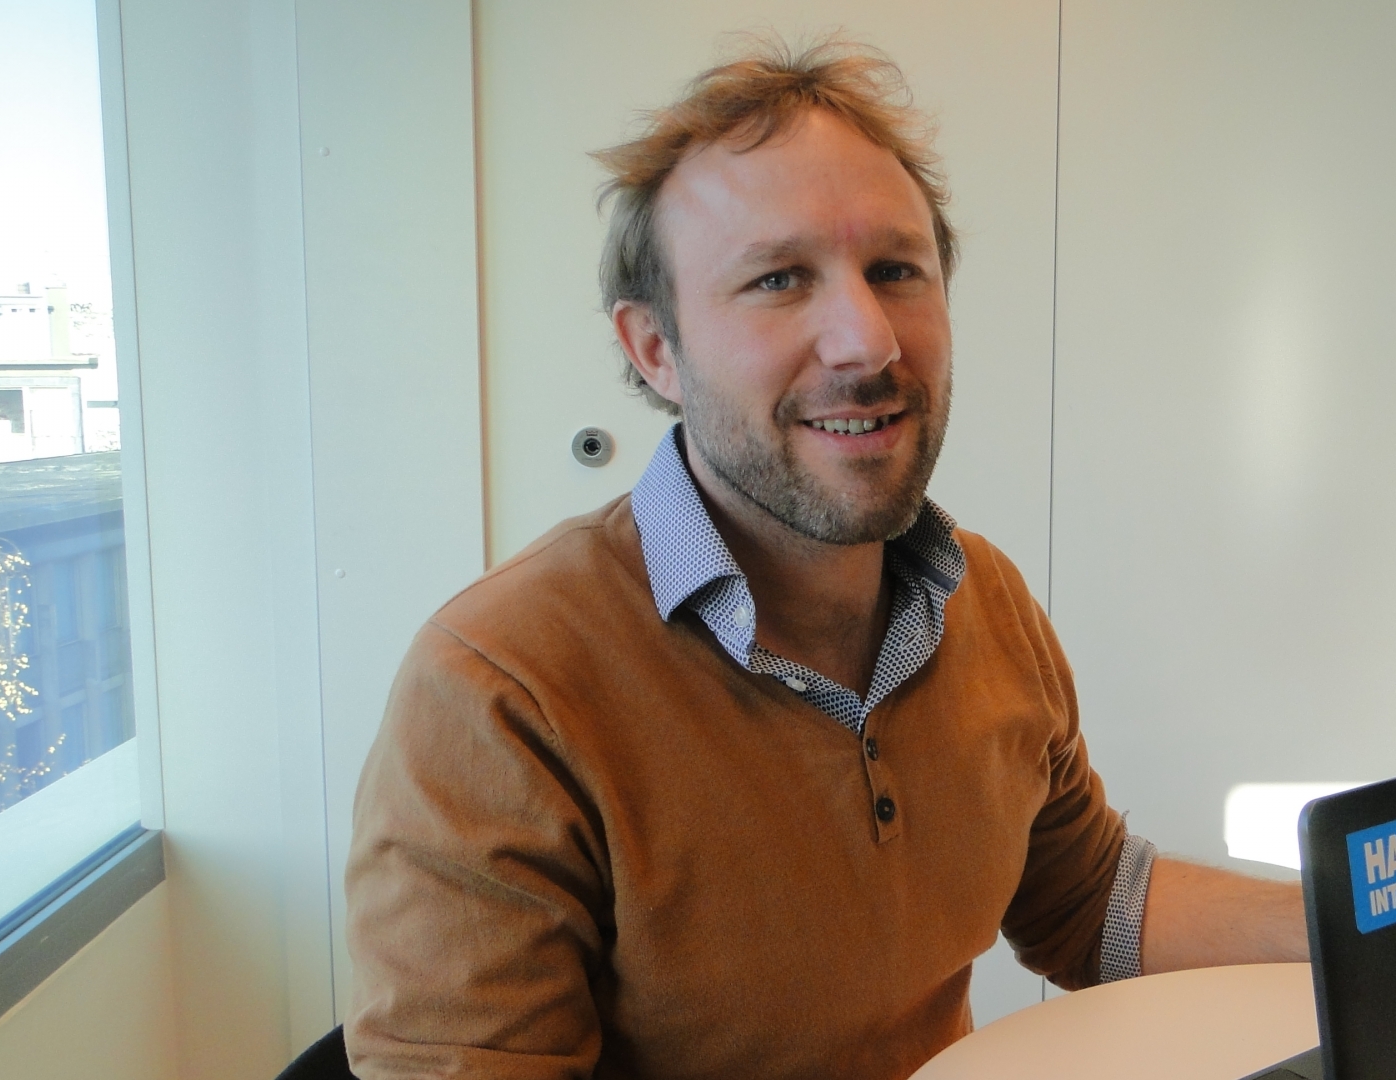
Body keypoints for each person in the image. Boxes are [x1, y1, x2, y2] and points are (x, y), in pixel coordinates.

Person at [344, 37, 1305, 1080]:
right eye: (778, 280)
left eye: (896, 271)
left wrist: (1389, 909)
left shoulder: (981, 599)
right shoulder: (497, 692)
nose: (866, 341)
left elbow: (1088, 903)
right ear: (653, 349)